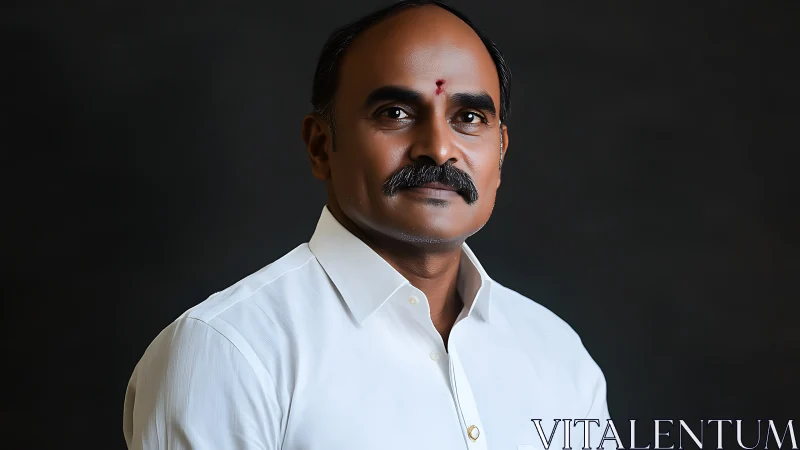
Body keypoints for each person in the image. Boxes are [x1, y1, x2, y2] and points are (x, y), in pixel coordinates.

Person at [123, 1, 611, 449]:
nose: (439, 149)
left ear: (500, 152)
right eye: (395, 113)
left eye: (468, 117)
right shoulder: (230, 351)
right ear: (320, 146)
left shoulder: (557, 354)